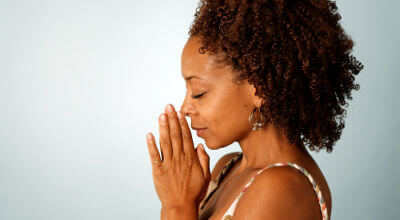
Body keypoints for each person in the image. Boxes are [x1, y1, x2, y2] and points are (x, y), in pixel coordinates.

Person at [146, 0, 363, 219]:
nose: (185, 108)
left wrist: (177, 206)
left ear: (258, 89)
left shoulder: (280, 188)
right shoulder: (228, 167)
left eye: (199, 92)